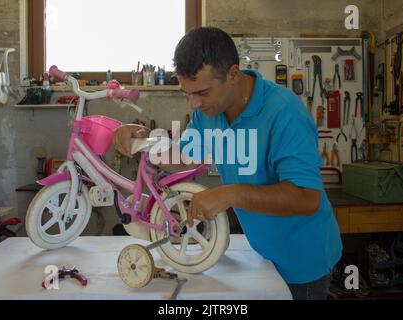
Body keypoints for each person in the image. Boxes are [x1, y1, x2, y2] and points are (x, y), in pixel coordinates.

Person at [113, 27, 342, 300]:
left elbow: (306, 199)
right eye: (187, 93)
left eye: (202, 93)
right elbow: (185, 157)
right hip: (264, 252)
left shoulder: (284, 112)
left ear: (233, 74)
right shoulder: (210, 112)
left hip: (303, 262)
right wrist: (143, 140)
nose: (194, 103)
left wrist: (230, 194)